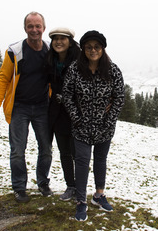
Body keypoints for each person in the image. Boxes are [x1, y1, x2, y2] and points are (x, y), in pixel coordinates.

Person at [0, 11, 53, 203]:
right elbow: (3, 78)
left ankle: (43, 183)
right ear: (25, 28)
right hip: (19, 108)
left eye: (38, 26)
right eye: (30, 26)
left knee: (46, 149)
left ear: (43, 28)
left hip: (43, 107)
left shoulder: (50, 51)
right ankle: (19, 187)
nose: (34, 30)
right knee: (17, 150)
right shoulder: (15, 51)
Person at [62, 30, 125, 221]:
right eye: (89, 47)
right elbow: (67, 95)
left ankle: (99, 195)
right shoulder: (75, 69)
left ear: (102, 48)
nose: (93, 50)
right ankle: (81, 201)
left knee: (100, 160)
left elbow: (120, 97)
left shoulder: (113, 70)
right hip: (81, 127)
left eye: (97, 47)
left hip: (104, 127)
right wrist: (76, 117)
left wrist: (109, 120)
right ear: (83, 49)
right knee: (81, 162)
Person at [44, 27, 80, 201]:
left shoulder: (80, 60)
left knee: (78, 153)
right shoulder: (50, 60)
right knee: (64, 152)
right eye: (55, 38)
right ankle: (71, 186)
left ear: (70, 41)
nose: (58, 41)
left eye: (62, 38)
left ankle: (80, 188)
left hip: (75, 114)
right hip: (57, 113)